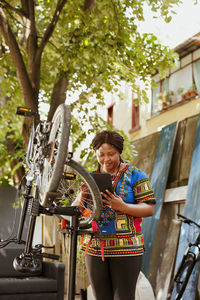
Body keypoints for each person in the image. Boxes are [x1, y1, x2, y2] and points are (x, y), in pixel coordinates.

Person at [76, 130, 156, 300]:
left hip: (127, 248)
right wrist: (82, 194)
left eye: (111, 154)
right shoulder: (90, 178)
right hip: (95, 248)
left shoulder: (136, 175)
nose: (106, 159)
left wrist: (122, 206)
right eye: (101, 154)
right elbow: (76, 211)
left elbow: (149, 208)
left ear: (119, 152)